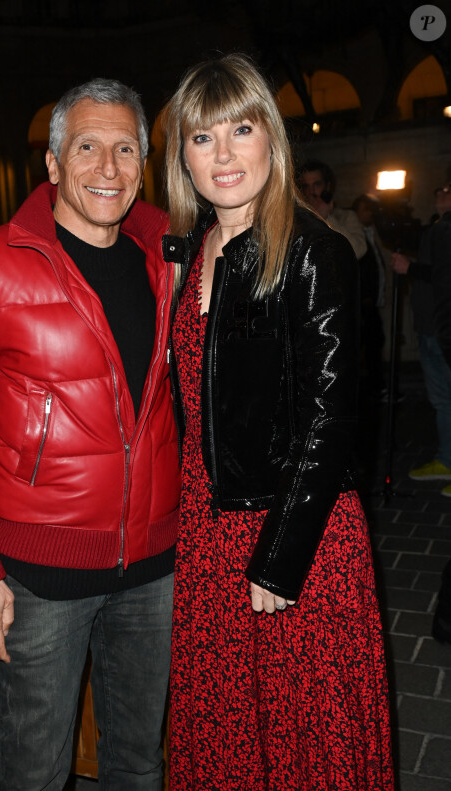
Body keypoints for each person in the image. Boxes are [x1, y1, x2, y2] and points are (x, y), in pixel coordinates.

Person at [0, 78, 180, 791]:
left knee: (139, 765)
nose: (108, 168)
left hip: (153, 570)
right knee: (35, 772)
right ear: (53, 163)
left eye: (125, 149)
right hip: (36, 582)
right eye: (87, 147)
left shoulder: (172, 257)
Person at [162, 54, 394, 790]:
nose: (224, 154)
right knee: (228, 727)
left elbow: (332, 415)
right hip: (206, 523)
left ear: (272, 138)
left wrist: (280, 556)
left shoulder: (312, 249)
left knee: (302, 737)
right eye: (202, 138)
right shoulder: (191, 250)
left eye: (241, 128)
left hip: (292, 528)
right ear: (183, 156)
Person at [391, 181, 451, 497]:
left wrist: (410, 267)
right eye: (438, 188)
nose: (438, 192)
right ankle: (447, 459)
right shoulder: (437, 228)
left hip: (444, 328)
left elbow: (444, 275)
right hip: (431, 327)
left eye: (446, 189)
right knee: (442, 400)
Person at [352, 193, 388, 399]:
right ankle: (373, 390)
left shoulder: (370, 233)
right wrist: (365, 296)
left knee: (375, 342)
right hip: (363, 302)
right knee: (369, 345)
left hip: (370, 301)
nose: (370, 214)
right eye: (366, 209)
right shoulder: (357, 237)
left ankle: (375, 387)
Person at [298, 158, 367, 260]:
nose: (311, 191)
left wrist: (327, 218)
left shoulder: (346, 217)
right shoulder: (297, 218)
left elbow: (357, 251)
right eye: (306, 186)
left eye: (317, 184)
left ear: (327, 186)